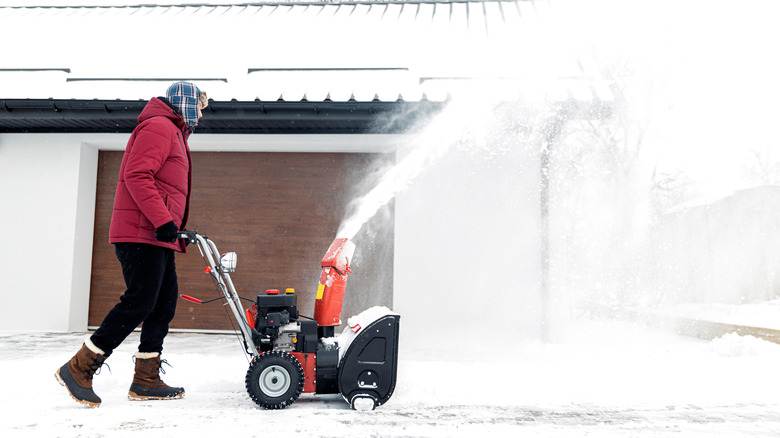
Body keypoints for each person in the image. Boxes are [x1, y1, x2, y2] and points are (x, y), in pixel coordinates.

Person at [55, 81, 208, 408]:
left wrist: (170, 226)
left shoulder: (173, 132)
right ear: (185, 103)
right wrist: (163, 220)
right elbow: (138, 175)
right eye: (199, 107)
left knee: (163, 304)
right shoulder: (159, 127)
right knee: (140, 301)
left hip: (157, 235)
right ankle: (80, 367)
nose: (200, 114)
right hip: (141, 232)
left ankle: (146, 379)